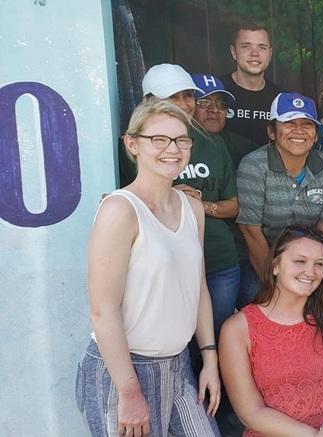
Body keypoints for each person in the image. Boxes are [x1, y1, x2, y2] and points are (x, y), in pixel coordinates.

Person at [76, 99, 220, 436]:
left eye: (181, 140)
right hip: (125, 369)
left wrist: (209, 358)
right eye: (159, 139)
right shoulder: (120, 210)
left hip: (178, 364)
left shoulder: (192, 208)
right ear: (132, 144)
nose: (172, 149)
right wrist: (129, 391)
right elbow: (103, 310)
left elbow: (197, 288)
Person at [218, 226, 323, 436]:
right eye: (299, 261)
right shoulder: (238, 329)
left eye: (319, 264)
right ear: (275, 266)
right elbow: (249, 411)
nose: (310, 272)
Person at [236, 92, 323, 306]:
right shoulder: (254, 166)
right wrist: (276, 286)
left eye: (307, 124)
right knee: (258, 302)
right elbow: (251, 231)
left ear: (315, 133)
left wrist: (315, 279)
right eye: (289, 123)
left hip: (308, 261)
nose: (299, 130)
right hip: (263, 260)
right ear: (272, 132)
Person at [178, 73, 241, 335]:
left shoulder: (217, 145)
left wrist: (201, 206)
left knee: (216, 338)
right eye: (205, 102)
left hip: (220, 261)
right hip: (175, 265)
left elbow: (234, 206)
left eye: (220, 104)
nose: (214, 110)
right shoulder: (156, 147)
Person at [118, 63, 202, 187]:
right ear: (147, 101)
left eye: (188, 95)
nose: (183, 105)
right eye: (172, 96)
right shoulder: (134, 145)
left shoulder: (211, 141)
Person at [221, 22, 283, 149]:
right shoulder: (217, 92)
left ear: (270, 54)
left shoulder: (281, 99)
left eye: (262, 47)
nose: (254, 53)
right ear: (234, 52)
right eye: (246, 46)